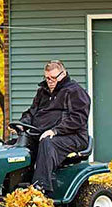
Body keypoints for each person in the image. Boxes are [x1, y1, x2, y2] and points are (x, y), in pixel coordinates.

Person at [20, 59, 90, 196]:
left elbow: (78, 118)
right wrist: (23, 123)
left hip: (72, 136)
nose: (50, 81)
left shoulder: (75, 91)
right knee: (14, 146)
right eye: (47, 78)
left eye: (53, 77)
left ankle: (40, 188)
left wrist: (55, 131)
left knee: (47, 143)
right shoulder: (42, 92)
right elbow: (32, 112)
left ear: (63, 74)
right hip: (41, 133)